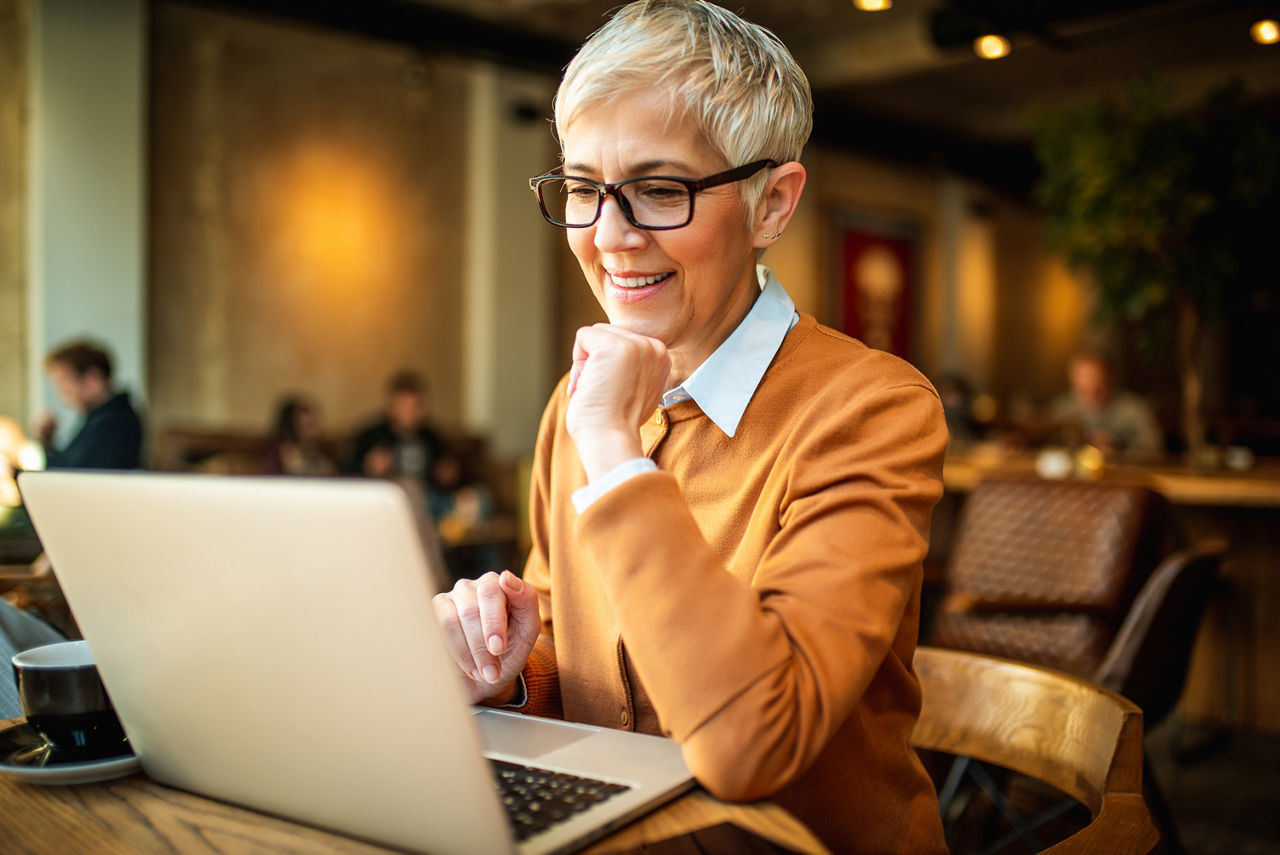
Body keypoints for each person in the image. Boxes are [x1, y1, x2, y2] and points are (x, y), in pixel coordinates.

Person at [433, 3, 949, 851]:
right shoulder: (581, 402)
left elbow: (752, 744)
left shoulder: (871, 410)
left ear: (773, 204)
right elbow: (578, 653)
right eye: (585, 189)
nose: (608, 237)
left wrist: (612, 449)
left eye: (659, 190)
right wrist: (506, 669)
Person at [37, 341, 144, 470]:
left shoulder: (115, 422)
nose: (63, 395)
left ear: (93, 378)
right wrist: (48, 442)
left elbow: (73, 476)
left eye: (64, 383)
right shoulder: (98, 418)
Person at [1047, 350, 1162, 458]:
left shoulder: (1135, 410)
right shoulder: (1059, 412)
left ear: (1110, 377)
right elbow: (1046, 449)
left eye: (1095, 377)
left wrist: (1118, 448)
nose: (1092, 386)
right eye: (1084, 380)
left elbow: (1153, 449)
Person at [346, 370, 442, 493]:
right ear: (392, 406)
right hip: (386, 496)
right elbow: (349, 475)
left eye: (417, 405)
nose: (412, 412)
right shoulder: (371, 436)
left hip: (425, 499)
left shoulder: (431, 437)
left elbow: (443, 478)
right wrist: (369, 468)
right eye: (406, 406)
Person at [263, 395, 337, 476]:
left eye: (314, 424)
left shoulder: (317, 453)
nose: (316, 431)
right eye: (308, 426)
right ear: (292, 429)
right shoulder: (281, 455)